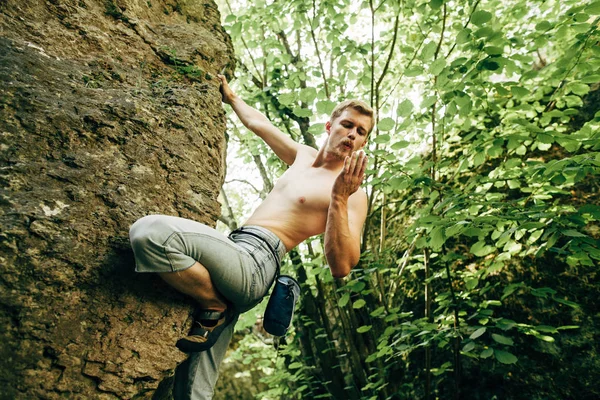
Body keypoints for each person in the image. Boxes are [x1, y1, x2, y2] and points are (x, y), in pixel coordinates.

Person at [128, 74, 374, 399]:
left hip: (259, 262)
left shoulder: (353, 193)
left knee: (150, 233)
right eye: (348, 124)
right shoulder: (302, 155)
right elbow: (260, 124)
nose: (353, 135)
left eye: (361, 132)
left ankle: (212, 303)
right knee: (190, 392)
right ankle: (220, 308)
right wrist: (231, 98)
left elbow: (342, 265)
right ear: (330, 127)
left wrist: (340, 197)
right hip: (234, 250)